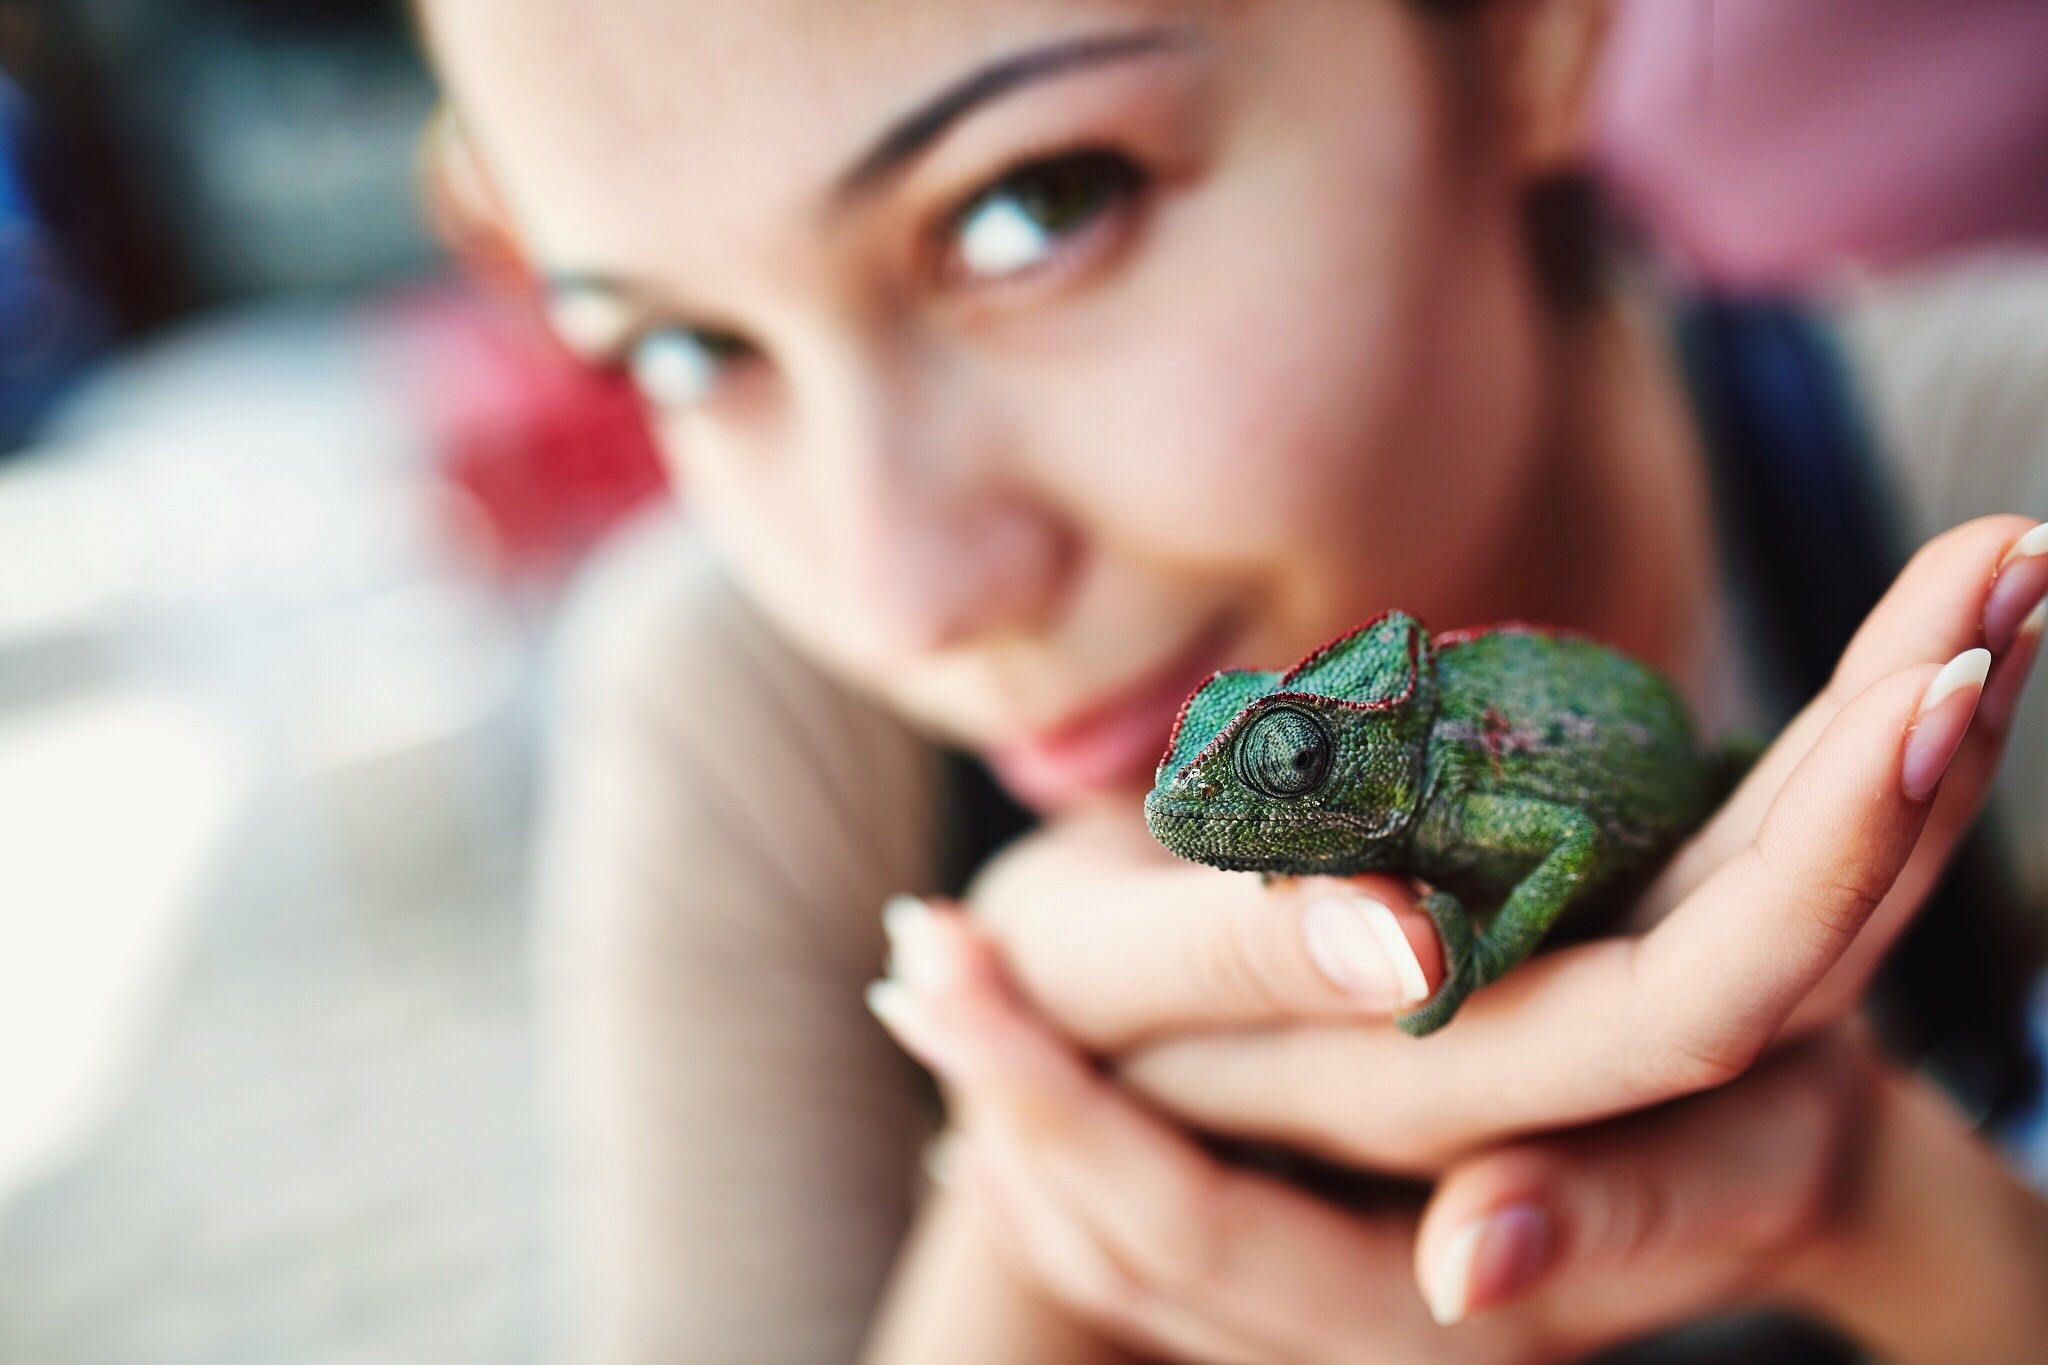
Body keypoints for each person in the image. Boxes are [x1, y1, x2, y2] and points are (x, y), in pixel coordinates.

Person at [410, 0, 2048, 1359]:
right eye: (681, 349)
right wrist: (1036, 1241)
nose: (907, 595)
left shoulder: (2000, 472)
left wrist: (1887, 1220)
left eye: (1036, 202)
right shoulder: (742, 728)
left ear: (1524, 37)